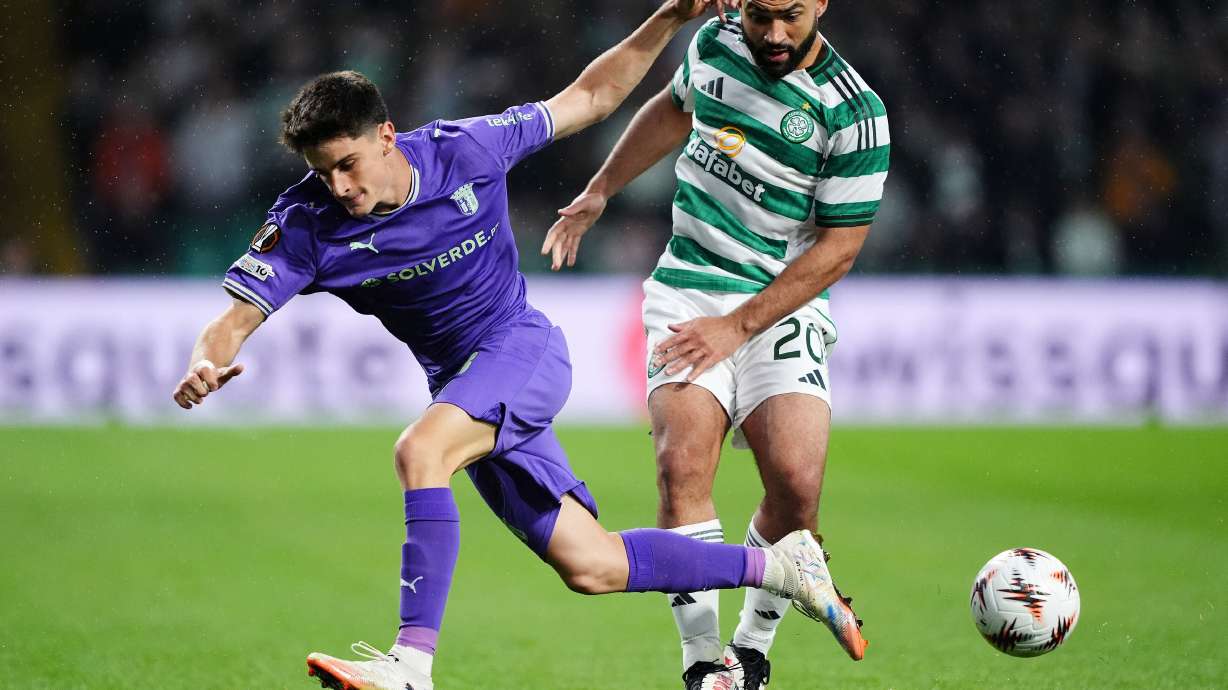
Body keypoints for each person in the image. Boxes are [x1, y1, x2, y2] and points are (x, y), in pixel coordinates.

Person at [171, 2, 861, 689]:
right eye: (324, 173)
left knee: (420, 450)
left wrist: (667, 19)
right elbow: (236, 315)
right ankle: (782, 570)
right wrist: (208, 357)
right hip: (461, 386)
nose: (341, 187)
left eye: (348, 164)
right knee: (592, 565)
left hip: (519, 349)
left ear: (386, 135)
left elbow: (591, 96)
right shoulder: (307, 224)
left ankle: (410, 666)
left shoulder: (463, 150)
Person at [542, 1, 886, 687]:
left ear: (820, 3)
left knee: (796, 485)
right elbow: (672, 110)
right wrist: (602, 188)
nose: (775, 33)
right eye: (761, 15)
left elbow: (840, 248)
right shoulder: (716, 41)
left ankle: (752, 647)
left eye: (790, 15)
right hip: (689, 287)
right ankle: (703, 664)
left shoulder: (854, 112)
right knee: (682, 466)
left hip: (784, 302)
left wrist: (738, 326)